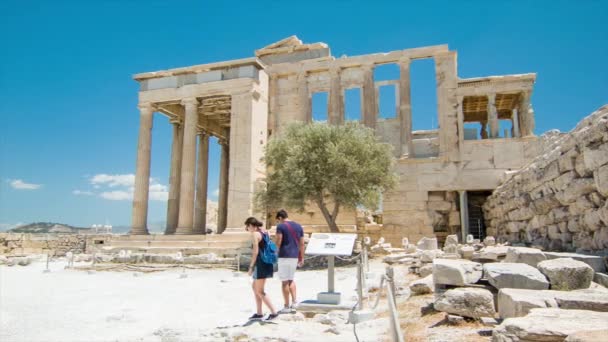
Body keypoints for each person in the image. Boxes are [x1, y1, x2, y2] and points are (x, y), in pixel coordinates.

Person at [245, 216, 278, 321]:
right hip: (266, 263)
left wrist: (251, 267)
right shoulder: (265, 232)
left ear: (252, 226)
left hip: (261, 264)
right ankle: (259, 313)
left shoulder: (255, 234)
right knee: (255, 288)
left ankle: (274, 312)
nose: (247, 229)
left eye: (247, 226)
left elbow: (255, 252)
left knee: (259, 291)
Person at [274, 209, 305, 314]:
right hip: (295, 256)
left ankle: (286, 306)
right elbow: (302, 244)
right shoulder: (298, 226)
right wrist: (302, 257)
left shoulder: (281, 226)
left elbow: (279, 240)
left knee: (284, 281)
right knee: (291, 279)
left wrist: (274, 252)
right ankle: (295, 302)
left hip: (284, 255)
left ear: (280, 218)